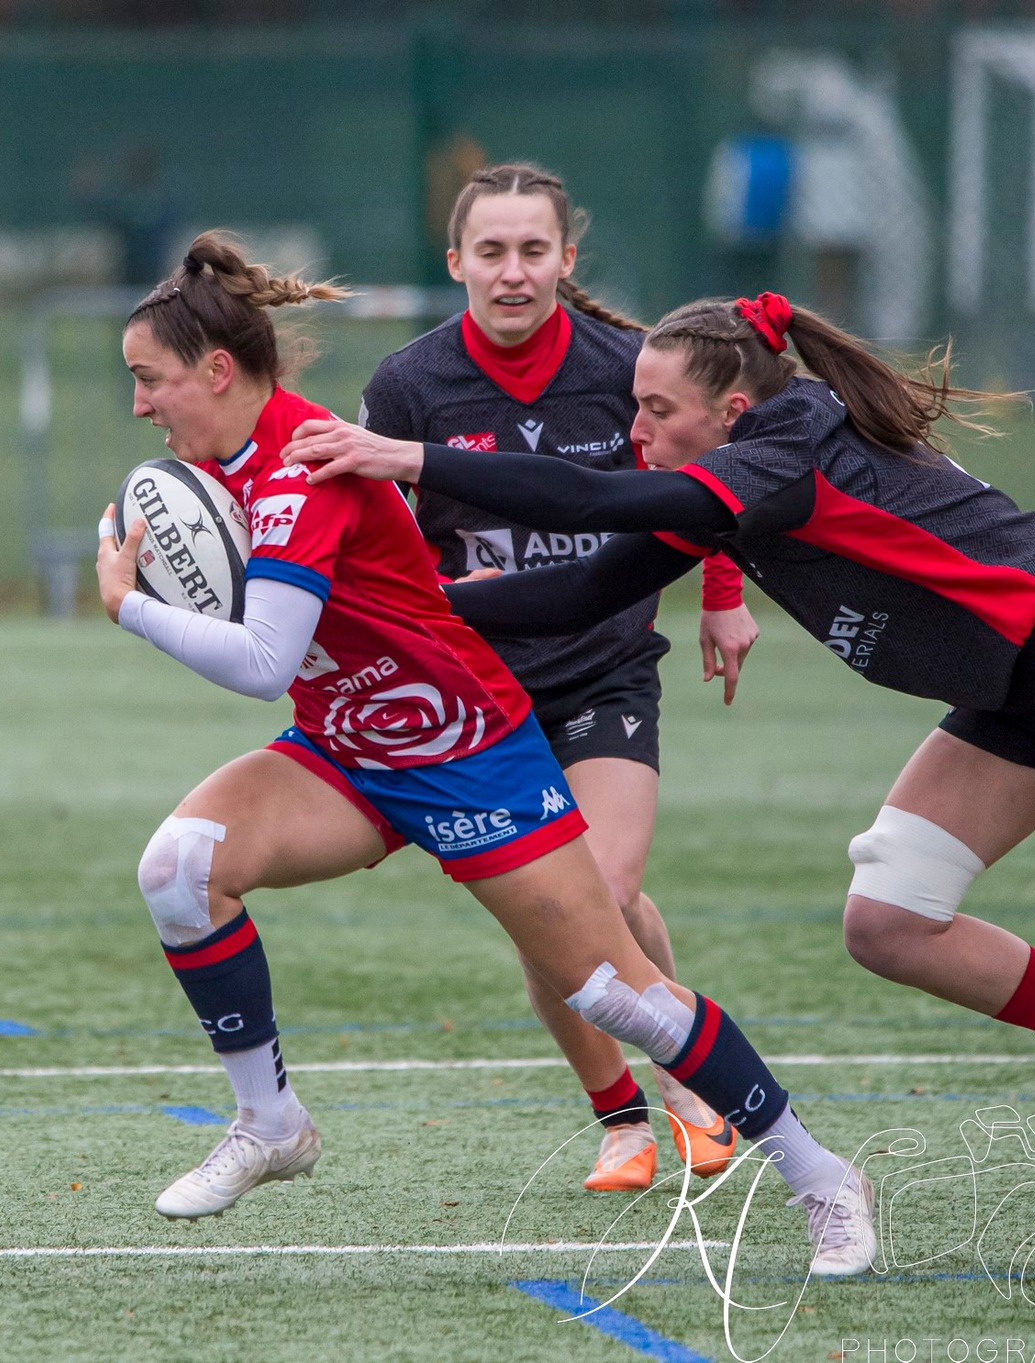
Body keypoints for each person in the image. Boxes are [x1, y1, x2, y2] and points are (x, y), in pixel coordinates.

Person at [95, 235, 877, 1277]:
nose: (140, 406)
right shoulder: (215, 468)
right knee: (181, 867)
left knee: (618, 992)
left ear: (217, 372)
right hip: (344, 748)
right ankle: (269, 1122)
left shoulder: (298, 470)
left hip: (464, 747)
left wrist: (128, 605)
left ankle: (818, 1174)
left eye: (148, 381)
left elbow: (258, 659)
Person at [278, 291, 1035, 1207]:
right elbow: (581, 592)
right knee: (888, 920)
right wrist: (386, 605)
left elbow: (590, 496)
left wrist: (404, 454)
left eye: (656, 409)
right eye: (634, 404)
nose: (635, 425)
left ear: (731, 413)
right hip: (1013, 694)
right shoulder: (736, 488)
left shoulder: (781, 456)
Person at [359, 163, 761, 1193]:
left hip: (603, 672)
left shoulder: (629, 364)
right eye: (488, 251)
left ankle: (687, 1081)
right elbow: (385, 544)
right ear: (453, 262)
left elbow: (709, 475)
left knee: (598, 891)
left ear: (565, 261)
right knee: (554, 911)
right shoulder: (407, 386)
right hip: (480, 692)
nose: (510, 271)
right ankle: (621, 1113)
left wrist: (721, 588)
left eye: (531, 250)